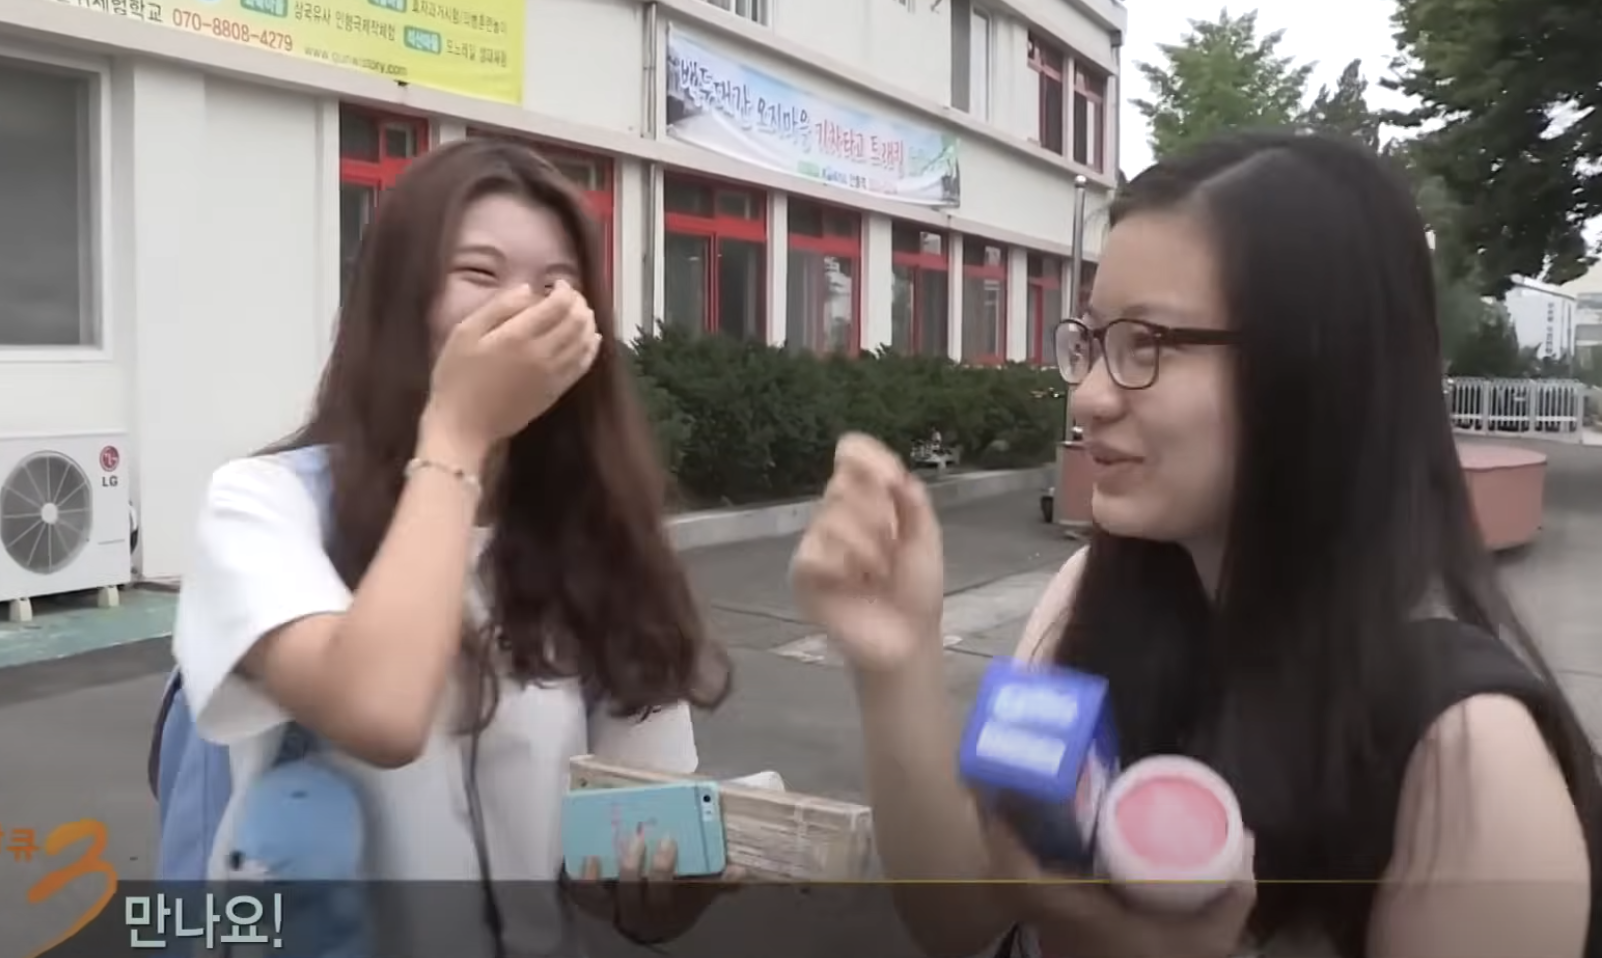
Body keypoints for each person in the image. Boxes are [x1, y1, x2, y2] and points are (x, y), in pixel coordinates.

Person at [791, 129, 1599, 958]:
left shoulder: (1472, 761)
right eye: (1093, 341)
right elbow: (960, 922)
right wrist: (897, 666)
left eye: (1147, 344)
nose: (1088, 397)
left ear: (1314, 370)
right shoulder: (1092, 590)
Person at [172, 137, 735, 958]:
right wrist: (460, 430)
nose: (524, 307)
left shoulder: (601, 537)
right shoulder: (264, 506)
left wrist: (661, 891)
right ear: (400, 302)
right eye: (479, 272)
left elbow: (633, 864)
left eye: (559, 285)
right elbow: (379, 713)